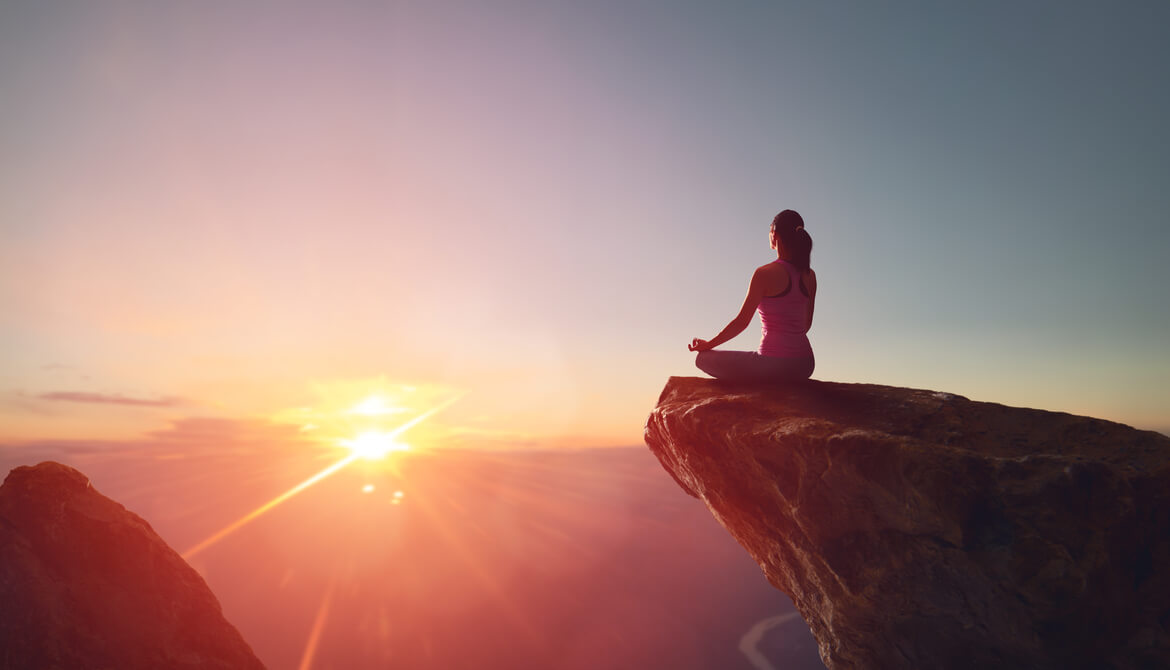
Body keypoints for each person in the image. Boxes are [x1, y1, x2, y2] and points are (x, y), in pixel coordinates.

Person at [688, 209, 816, 382]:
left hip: (772, 366)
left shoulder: (764, 273)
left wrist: (708, 345)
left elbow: (741, 323)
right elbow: (806, 325)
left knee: (702, 359)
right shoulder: (810, 276)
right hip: (805, 365)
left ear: (774, 234)